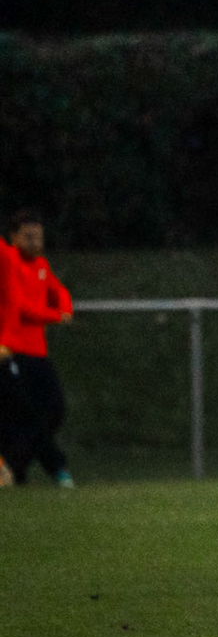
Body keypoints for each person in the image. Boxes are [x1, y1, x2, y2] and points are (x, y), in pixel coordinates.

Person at [1, 209, 75, 488]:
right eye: (28, 236)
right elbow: (20, 307)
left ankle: (12, 466)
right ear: (14, 237)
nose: (34, 242)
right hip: (12, 350)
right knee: (25, 415)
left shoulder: (41, 265)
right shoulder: (9, 260)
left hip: (37, 353)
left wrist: (65, 309)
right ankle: (56, 469)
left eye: (38, 237)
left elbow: (59, 291)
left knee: (53, 411)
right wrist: (56, 316)